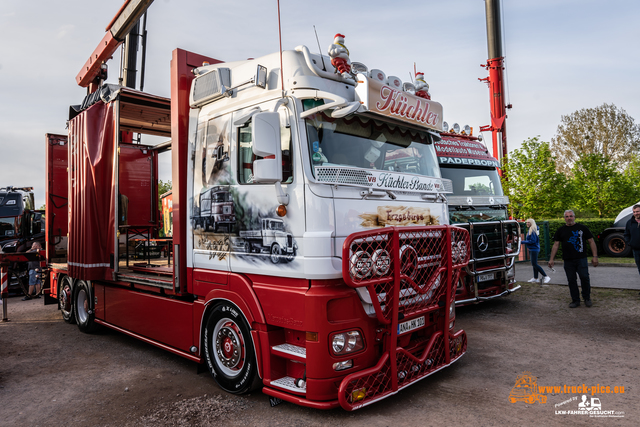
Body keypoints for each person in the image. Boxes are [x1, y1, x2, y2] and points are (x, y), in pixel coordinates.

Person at [548, 210, 598, 308]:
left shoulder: (582, 228)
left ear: (574, 217)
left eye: (571, 216)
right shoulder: (561, 230)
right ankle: (575, 300)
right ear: (564, 218)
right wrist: (551, 259)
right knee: (571, 280)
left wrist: (595, 256)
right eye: (567, 216)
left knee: (584, 278)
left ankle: (587, 298)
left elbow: (591, 241)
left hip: (581, 258)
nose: (569, 218)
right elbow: (556, 244)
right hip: (568, 260)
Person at [522, 218, 550, 284]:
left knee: (534, 264)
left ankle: (546, 276)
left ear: (531, 223)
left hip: (534, 249)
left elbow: (533, 241)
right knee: (534, 264)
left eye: (528, 222)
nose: (527, 223)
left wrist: (522, 242)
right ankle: (535, 278)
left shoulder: (533, 230)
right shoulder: (531, 229)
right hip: (533, 248)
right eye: (527, 222)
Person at [623, 204, 640, 295]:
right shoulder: (629, 222)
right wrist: (629, 243)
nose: (636, 213)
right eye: (634, 212)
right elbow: (626, 234)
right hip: (636, 250)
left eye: (637, 211)